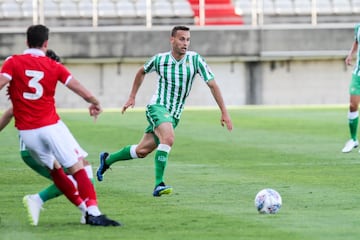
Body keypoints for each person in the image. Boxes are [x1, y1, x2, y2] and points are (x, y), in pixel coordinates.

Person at [0, 24, 120, 226]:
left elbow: (2, 82)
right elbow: (77, 87)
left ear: (26, 41)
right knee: (79, 167)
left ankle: (83, 211)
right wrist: (95, 102)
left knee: (57, 171)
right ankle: (94, 212)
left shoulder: (13, 62)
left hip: (27, 134)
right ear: (46, 43)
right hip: (49, 126)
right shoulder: (53, 66)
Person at [96, 25, 233, 197]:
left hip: (174, 115)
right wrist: (132, 97)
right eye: (182, 39)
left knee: (141, 151)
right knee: (168, 138)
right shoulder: (160, 60)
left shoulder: (195, 59)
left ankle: (107, 160)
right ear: (172, 39)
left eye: (188, 39)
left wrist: (224, 112)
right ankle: (158, 184)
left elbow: (212, 84)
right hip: (157, 107)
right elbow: (141, 71)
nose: (186, 43)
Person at [342, 23, 360, 153]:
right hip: (358, 74)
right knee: (353, 105)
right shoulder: (358, 27)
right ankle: (353, 139)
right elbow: (356, 41)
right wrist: (350, 55)